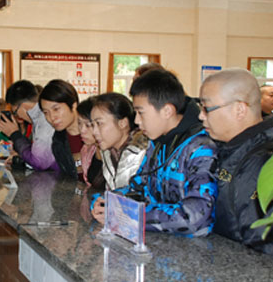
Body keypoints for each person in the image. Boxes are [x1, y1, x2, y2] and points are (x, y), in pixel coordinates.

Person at [92, 70, 218, 237]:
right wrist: (107, 202)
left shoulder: (201, 149)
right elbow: (138, 187)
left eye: (141, 112)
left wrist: (132, 215)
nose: (136, 121)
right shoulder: (157, 142)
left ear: (167, 111)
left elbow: (194, 217)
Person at [199, 68, 273, 260]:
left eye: (206, 108)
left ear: (239, 109)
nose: (201, 116)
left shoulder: (266, 162)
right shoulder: (230, 150)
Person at [90, 92, 147, 191]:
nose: (94, 132)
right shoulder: (108, 153)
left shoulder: (142, 153)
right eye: (92, 125)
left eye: (99, 123)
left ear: (122, 123)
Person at [0, 80, 56, 170]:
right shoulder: (37, 118)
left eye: (15, 112)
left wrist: (14, 134)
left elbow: (39, 162)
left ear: (23, 106)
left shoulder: (44, 120)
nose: (18, 116)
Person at [39, 80, 84, 179]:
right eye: (46, 112)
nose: (51, 117)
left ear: (73, 105)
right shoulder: (58, 141)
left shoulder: (96, 134)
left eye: (56, 109)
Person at [76, 98, 104, 188]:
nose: (82, 130)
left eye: (88, 125)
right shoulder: (86, 150)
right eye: (79, 123)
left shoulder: (114, 153)